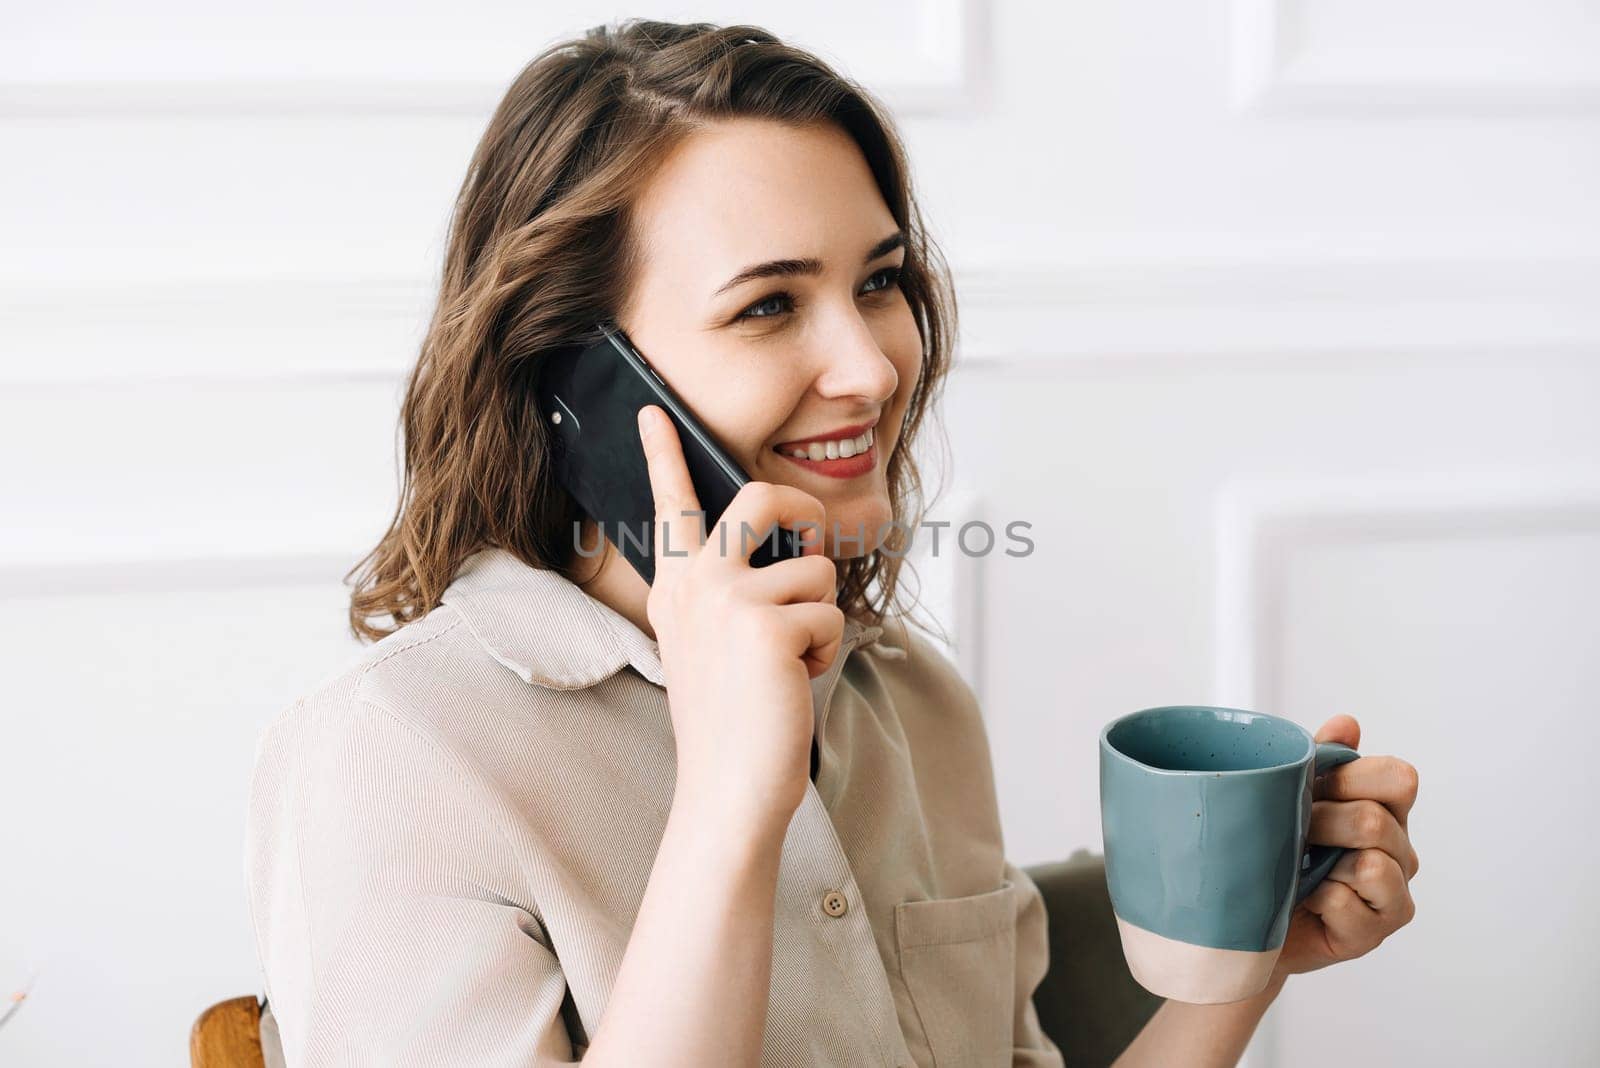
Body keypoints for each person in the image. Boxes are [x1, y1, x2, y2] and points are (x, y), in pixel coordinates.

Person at [244, 19, 1421, 1068]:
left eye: (878, 282)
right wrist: (727, 804)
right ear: (578, 379)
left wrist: (1252, 956)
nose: (869, 368)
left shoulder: (909, 701)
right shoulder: (392, 758)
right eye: (767, 304)